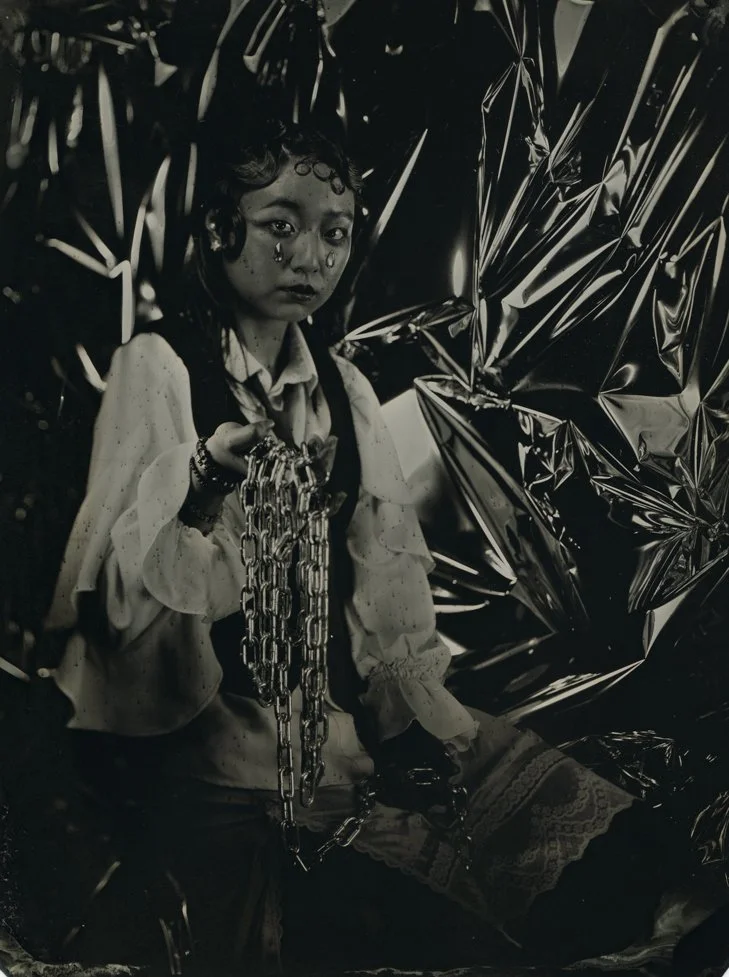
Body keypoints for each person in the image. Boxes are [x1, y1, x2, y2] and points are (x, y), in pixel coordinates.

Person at [45, 116, 686, 975]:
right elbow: (122, 611)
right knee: (429, 926)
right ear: (217, 229)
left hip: (343, 734)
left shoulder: (342, 391)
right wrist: (200, 483)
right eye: (280, 224)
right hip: (225, 756)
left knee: (614, 854)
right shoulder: (158, 367)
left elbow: (384, 606)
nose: (308, 255)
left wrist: (414, 733)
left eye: (333, 233)